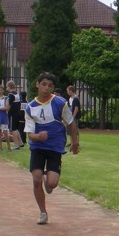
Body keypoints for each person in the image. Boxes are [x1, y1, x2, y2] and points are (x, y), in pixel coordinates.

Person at [25, 72, 73, 225]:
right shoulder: (30, 107)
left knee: (52, 184)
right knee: (36, 179)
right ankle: (43, 212)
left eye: (50, 86)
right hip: (38, 147)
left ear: (53, 88)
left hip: (54, 147)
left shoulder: (60, 103)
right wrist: (38, 137)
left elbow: (71, 123)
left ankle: (48, 180)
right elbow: (30, 134)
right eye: (44, 84)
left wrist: (75, 142)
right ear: (37, 85)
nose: (46, 88)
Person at [6, 80, 24, 149]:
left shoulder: (11, 95)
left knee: (13, 129)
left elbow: (9, 106)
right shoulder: (17, 94)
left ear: (9, 86)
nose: (6, 88)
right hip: (17, 113)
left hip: (12, 114)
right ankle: (20, 143)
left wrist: (6, 112)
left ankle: (16, 145)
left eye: (7, 87)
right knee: (16, 129)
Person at [64, 84, 81, 154]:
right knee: (71, 130)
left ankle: (76, 143)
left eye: (68, 91)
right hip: (71, 116)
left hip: (74, 117)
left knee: (75, 130)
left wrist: (73, 117)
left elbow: (76, 108)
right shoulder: (71, 99)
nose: (67, 92)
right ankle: (72, 143)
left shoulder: (75, 99)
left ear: (71, 91)